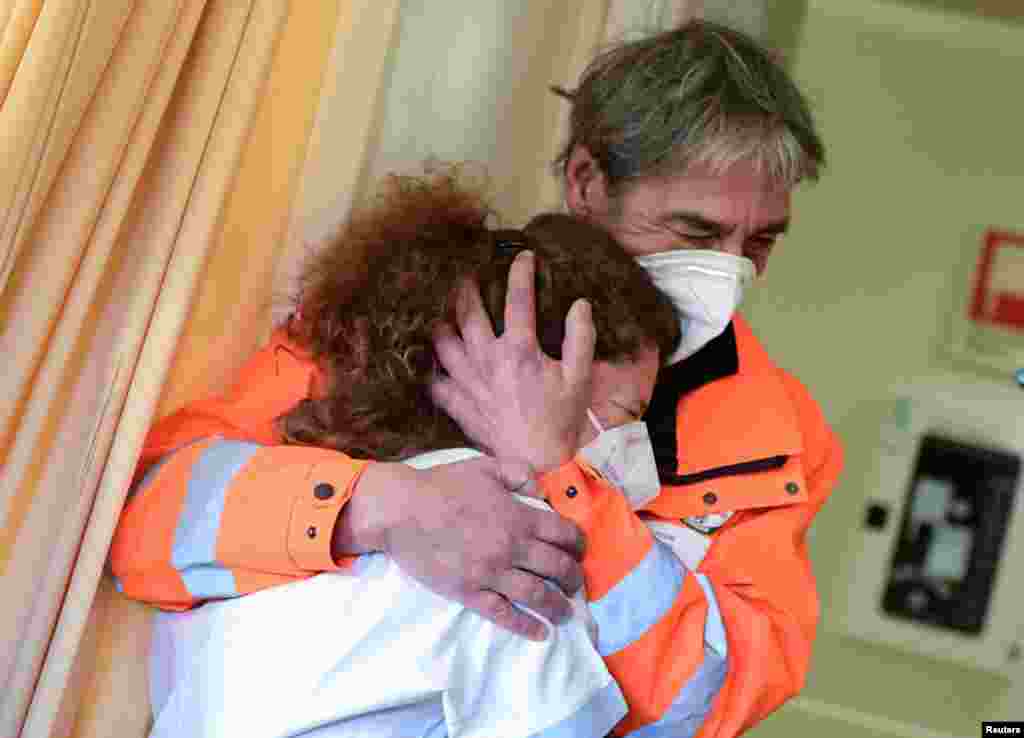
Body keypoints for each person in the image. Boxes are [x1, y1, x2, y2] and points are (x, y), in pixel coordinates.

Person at [111, 19, 843, 738]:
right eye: (696, 233)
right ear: (587, 181)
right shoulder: (419, 301)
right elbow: (144, 520)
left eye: (762, 242)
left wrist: (563, 478)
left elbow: (708, 712)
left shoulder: (780, 435)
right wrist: (381, 507)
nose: (730, 272)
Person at [144, 170, 684, 738]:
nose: (634, 448)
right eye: (628, 414)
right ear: (528, 373)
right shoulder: (517, 560)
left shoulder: (255, 529)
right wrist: (561, 483)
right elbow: (673, 715)